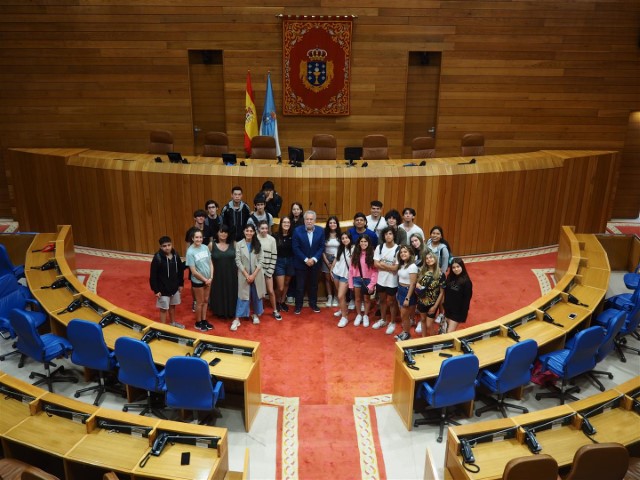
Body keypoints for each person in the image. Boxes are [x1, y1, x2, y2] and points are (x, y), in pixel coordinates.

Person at [232, 223, 266, 331]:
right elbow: (238, 261)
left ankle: (255, 314)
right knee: (242, 296)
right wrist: (247, 275)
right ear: (244, 232)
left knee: (256, 295)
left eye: (251, 231)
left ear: (254, 232)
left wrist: (254, 275)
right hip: (244, 275)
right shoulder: (239, 244)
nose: (249, 233)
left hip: (256, 275)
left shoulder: (258, 243)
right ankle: (237, 318)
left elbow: (261, 261)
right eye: (247, 231)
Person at [291, 210, 324, 314]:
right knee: (300, 286)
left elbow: (321, 247)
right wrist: (306, 259)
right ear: (304, 220)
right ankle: (298, 306)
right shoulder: (297, 230)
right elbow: (295, 248)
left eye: (311, 219)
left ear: (314, 220)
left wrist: (313, 259)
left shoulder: (321, 230)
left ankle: (313, 304)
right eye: (307, 219)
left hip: (315, 263)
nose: (309, 221)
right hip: (301, 263)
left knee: (314, 285)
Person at [149, 235, 185, 328]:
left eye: (169, 245)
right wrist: (156, 290)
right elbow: (153, 275)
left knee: (173, 306)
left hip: (174, 287)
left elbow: (180, 270)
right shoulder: (157, 258)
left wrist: (181, 284)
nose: (167, 247)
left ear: (171, 245)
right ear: (161, 247)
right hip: (163, 289)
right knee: (164, 309)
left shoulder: (176, 255)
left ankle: (173, 323)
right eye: (164, 246)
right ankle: (163, 328)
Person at [185, 229, 213, 331]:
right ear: (192, 238)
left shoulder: (205, 248)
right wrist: (205, 280)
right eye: (196, 237)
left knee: (206, 301)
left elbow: (210, 263)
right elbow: (193, 271)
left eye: (200, 237)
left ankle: (204, 320)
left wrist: (211, 277)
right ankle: (198, 322)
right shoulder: (190, 252)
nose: (199, 239)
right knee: (199, 302)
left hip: (208, 280)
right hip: (198, 281)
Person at [372, 227, 399, 331]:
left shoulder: (398, 249)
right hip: (381, 280)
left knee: (392, 302)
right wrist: (389, 267)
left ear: (393, 236)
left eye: (390, 234)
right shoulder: (380, 247)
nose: (388, 236)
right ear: (383, 236)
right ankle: (383, 320)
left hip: (392, 281)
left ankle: (392, 322)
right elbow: (375, 264)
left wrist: (382, 264)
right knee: (382, 300)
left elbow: (395, 268)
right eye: (386, 234)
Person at [209, 224, 237, 321]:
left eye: (225, 232)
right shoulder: (211, 245)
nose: (223, 234)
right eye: (221, 232)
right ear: (217, 233)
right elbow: (208, 261)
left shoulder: (234, 244)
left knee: (231, 291)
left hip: (231, 274)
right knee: (218, 292)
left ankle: (231, 311)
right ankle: (219, 311)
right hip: (217, 275)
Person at [348, 234, 378, 327]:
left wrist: (372, 284)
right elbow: (351, 269)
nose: (363, 243)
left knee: (366, 299)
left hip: (368, 280)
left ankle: (365, 315)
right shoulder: (356, 253)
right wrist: (350, 283)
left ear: (368, 243)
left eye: (365, 241)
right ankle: (359, 315)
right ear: (359, 242)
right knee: (357, 299)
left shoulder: (372, 253)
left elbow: (375, 271)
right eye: (361, 241)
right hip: (356, 279)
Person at [414, 251, 446, 337]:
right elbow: (417, 283)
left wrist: (435, 306)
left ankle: (432, 341)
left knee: (429, 324)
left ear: (435, 259)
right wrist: (417, 284)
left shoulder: (440, 274)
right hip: (421, 301)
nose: (429, 260)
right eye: (427, 258)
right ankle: (424, 339)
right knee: (423, 320)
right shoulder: (421, 271)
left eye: (431, 258)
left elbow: (442, 292)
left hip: (432, 303)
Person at [185, 209, 208, 313]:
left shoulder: (208, 229)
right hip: (194, 260)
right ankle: (195, 301)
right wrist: (190, 262)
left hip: (205, 258)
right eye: (199, 216)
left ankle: (205, 300)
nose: (201, 218)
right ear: (195, 218)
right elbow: (187, 247)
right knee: (194, 282)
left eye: (203, 216)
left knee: (206, 280)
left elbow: (211, 243)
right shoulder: (190, 231)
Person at [257, 220, 281, 320]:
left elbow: (274, 256)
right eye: (262, 228)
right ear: (258, 228)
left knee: (270, 291)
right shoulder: (255, 238)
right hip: (258, 271)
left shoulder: (272, 240)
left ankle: (275, 310)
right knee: (259, 292)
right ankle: (259, 311)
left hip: (268, 270)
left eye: (266, 228)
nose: (264, 230)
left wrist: (270, 270)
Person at [394, 245, 418, 340]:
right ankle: (404, 332)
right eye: (401, 252)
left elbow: (412, 284)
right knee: (402, 315)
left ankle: (407, 335)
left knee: (405, 315)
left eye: (405, 252)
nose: (403, 254)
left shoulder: (412, 266)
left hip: (408, 292)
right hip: (400, 290)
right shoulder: (402, 264)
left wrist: (407, 298)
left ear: (410, 254)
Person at [443, 257, 473, 332]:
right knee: (444, 330)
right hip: (448, 308)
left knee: (450, 333)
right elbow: (446, 293)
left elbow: (467, 299)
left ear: (462, 266)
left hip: (457, 312)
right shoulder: (450, 277)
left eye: (458, 267)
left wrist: (463, 315)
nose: (456, 269)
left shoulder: (466, 282)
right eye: (453, 267)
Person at [332, 232, 354, 327]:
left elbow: (355, 265)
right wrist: (331, 270)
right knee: (341, 295)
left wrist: (351, 276)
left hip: (346, 275)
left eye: (346, 238)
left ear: (350, 238)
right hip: (337, 273)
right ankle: (342, 309)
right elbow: (336, 260)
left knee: (340, 295)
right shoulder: (340, 248)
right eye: (343, 238)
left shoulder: (354, 249)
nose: (345, 240)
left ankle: (344, 317)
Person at [274, 216, 294, 312]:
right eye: (284, 222)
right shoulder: (275, 236)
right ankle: (276, 301)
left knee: (287, 283)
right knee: (280, 286)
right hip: (279, 262)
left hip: (290, 261)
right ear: (281, 224)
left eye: (288, 222)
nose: (286, 224)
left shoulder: (293, 235)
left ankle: (282, 302)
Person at [322, 216, 341, 308]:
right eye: (330, 223)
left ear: (337, 224)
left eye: (334, 223)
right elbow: (322, 249)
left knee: (335, 279)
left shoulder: (340, 235)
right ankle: (330, 297)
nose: (332, 224)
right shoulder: (324, 234)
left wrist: (333, 263)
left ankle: (336, 297)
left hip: (337, 258)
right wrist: (327, 262)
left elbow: (342, 249)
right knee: (327, 279)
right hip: (326, 257)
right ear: (328, 224)